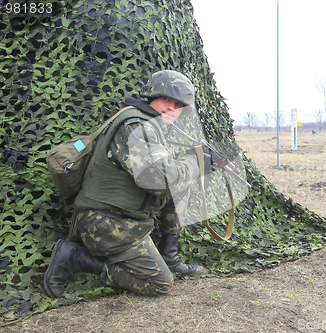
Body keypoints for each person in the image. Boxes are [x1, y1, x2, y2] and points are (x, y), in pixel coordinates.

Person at [44, 70, 215, 298]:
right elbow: (161, 181)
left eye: (178, 104)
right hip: (105, 222)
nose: (171, 108)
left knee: (181, 183)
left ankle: (169, 257)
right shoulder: (135, 127)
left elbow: (173, 177)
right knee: (160, 284)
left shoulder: (153, 126)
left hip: (123, 217)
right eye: (166, 99)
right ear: (152, 95)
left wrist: (206, 162)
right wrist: (195, 161)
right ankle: (75, 257)